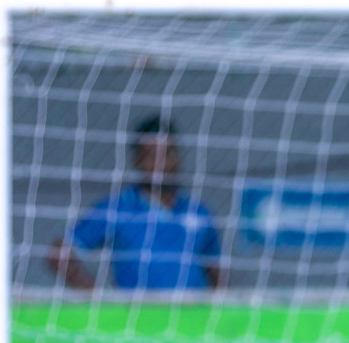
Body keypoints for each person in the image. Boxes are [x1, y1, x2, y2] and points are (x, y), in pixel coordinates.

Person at [48, 115, 222, 290]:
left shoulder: (199, 211)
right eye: (152, 156)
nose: (162, 164)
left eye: (168, 153)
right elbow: (58, 253)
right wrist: (93, 293)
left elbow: (216, 270)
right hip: (138, 314)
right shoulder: (117, 208)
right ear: (137, 160)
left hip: (193, 314)